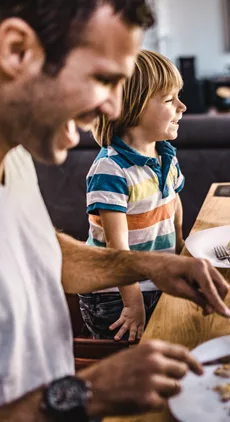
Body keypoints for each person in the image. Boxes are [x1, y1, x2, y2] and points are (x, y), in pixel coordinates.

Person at [0, 1, 230, 420]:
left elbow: (42, 254)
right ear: (16, 51)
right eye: (103, 78)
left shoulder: (12, 157)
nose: (111, 107)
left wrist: (149, 265)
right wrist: (86, 394)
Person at [80, 49, 187, 342]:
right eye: (169, 100)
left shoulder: (165, 154)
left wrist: (180, 247)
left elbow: (172, 201)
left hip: (155, 280)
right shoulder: (111, 169)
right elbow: (118, 246)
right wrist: (132, 302)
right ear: (132, 108)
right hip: (116, 295)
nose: (182, 106)